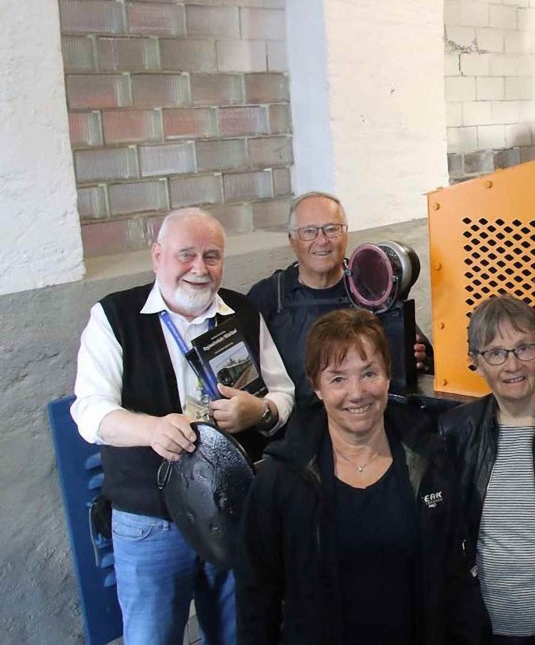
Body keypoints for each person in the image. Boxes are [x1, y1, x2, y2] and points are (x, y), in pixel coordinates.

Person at [71, 207, 295, 645]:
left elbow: (283, 393)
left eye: (212, 256)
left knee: (239, 634)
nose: (200, 268)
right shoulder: (114, 316)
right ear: (157, 256)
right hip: (150, 523)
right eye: (186, 255)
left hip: (234, 512)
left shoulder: (243, 312)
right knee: (152, 637)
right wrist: (151, 430)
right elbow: (90, 412)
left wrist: (259, 412)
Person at [236, 309, 467, 643]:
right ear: (316, 387)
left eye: (369, 373)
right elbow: (256, 595)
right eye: (338, 379)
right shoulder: (282, 479)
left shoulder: (430, 462)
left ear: (388, 375)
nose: (357, 393)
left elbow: (456, 580)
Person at [439, 295, 535, 644]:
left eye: (524, 348)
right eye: (495, 353)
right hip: (480, 630)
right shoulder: (455, 431)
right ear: (476, 362)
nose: (512, 365)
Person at [247, 191, 433, 414]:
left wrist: (417, 358)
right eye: (309, 231)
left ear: (346, 235)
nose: (322, 240)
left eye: (331, 229)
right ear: (292, 240)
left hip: (370, 416)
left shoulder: (373, 284)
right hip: (297, 425)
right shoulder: (267, 297)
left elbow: (421, 358)